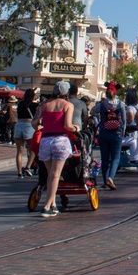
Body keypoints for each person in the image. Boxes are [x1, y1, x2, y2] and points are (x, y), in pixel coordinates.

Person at [37, 81, 80, 217]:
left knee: (50, 174)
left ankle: (53, 204)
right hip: (60, 140)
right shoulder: (68, 105)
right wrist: (76, 128)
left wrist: (38, 127)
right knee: (56, 175)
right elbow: (68, 125)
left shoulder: (43, 105)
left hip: (45, 140)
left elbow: (34, 122)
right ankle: (46, 206)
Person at [93, 81, 125, 190]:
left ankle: (106, 181)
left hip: (104, 133)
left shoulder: (102, 104)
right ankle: (111, 177)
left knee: (105, 158)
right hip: (117, 133)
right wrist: (123, 131)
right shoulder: (121, 104)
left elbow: (93, 111)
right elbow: (124, 120)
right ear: (115, 94)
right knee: (116, 157)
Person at [13, 88, 40, 178]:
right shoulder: (36, 105)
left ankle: (19, 172)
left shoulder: (20, 104)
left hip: (19, 124)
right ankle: (28, 167)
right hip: (29, 125)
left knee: (19, 151)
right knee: (33, 148)